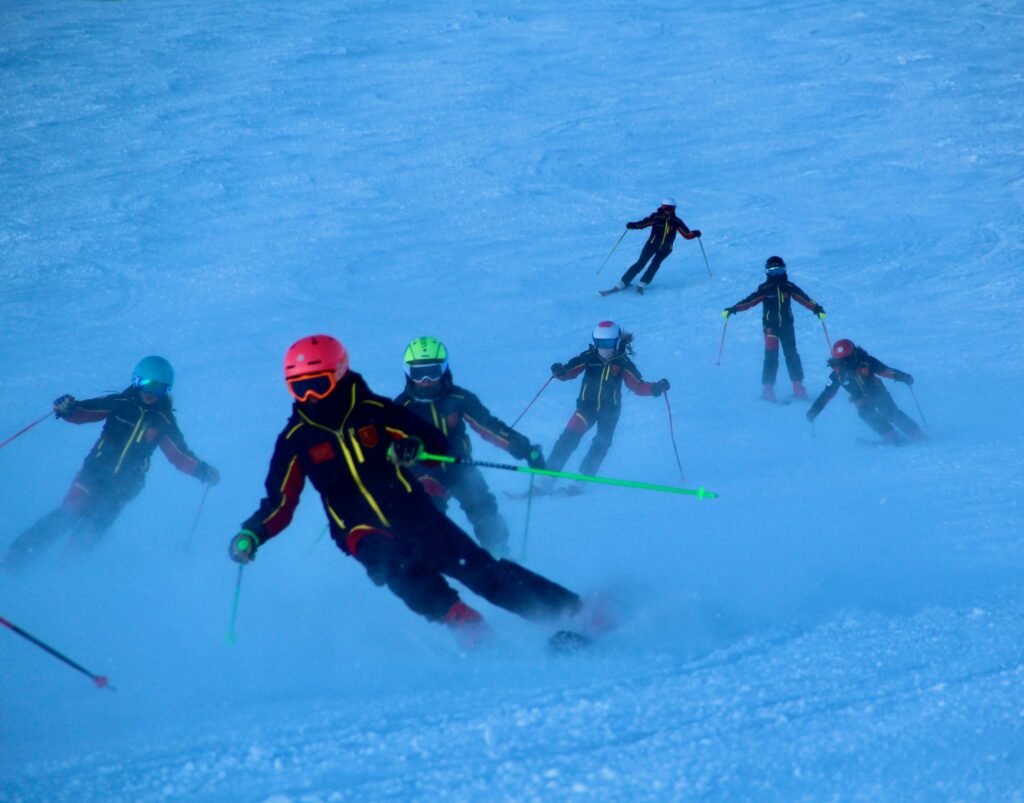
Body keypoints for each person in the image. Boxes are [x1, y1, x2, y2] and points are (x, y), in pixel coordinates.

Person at [228, 334, 582, 645]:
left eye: (317, 384)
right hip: (358, 529)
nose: (309, 396)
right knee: (398, 570)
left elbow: (435, 443)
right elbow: (280, 501)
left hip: (412, 511)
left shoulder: (378, 412)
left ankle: (570, 610)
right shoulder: (296, 439)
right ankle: (467, 625)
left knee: (478, 569)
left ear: (337, 374)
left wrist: (411, 447)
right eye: (298, 387)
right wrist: (253, 532)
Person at [2, 356, 219, 569]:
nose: (151, 394)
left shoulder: (163, 421)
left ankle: (65, 571)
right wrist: (69, 408)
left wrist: (201, 470)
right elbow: (86, 412)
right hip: (93, 473)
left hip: (125, 486)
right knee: (67, 514)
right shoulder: (120, 403)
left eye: (159, 390)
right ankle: (16, 556)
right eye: (146, 385)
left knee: (92, 528)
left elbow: (178, 454)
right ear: (136, 381)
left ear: (167, 391)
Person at [394, 337, 544, 558]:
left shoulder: (458, 398)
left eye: (432, 372)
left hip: (459, 466)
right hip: (423, 470)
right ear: (408, 373)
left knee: (483, 508)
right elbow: (387, 444)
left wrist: (524, 449)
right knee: (428, 505)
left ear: (444, 369)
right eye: (418, 374)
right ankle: (434, 567)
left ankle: (500, 558)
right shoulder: (402, 407)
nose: (425, 380)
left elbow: (489, 427)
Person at [542, 321, 669, 493]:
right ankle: (546, 480)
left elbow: (637, 386)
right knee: (567, 439)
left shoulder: (622, 362)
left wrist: (654, 388)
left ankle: (579, 483)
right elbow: (570, 370)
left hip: (610, 412)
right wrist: (561, 371)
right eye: (600, 343)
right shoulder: (589, 357)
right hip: (586, 408)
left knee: (601, 444)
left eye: (608, 343)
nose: (604, 348)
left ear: (616, 342)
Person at [722, 256, 826, 401]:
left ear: (784, 270)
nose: (777, 275)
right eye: (773, 271)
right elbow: (750, 301)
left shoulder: (789, 287)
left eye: (779, 270)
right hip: (770, 328)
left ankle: (798, 388)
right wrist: (734, 309)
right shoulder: (765, 289)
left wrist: (816, 308)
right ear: (767, 273)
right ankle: (768, 390)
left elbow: (804, 298)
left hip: (787, 327)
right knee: (771, 357)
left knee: (792, 355)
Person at [806, 339, 924, 444]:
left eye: (847, 358)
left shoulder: (866, 362)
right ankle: (889, 434)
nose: (845, 362)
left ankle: (915, 433)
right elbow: (827, 394)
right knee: (865, 413)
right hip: (859, 396)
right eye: (841, 360)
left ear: (854, 354)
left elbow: (885, 371)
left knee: (889, 412)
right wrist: (814, 410)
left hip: (877, 392)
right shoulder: (837, 375)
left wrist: (903, 377)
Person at [605, 197, 702, 294]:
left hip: (666, 248)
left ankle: (643, 283)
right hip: (651, 245)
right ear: (662, 208)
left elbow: (686, 234)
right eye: (666, 208)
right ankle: (623, 282)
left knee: (655, 264)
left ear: (674, 209)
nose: (668, 211)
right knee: (641, 263)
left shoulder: (676, 221)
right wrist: (633, 225)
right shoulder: (656, 217)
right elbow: (643, 224)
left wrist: (694, 234)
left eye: (670, 208)